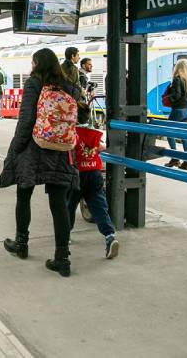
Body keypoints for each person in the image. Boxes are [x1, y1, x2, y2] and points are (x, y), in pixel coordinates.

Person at [0, 48, 79, 277]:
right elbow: (79, 118)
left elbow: (26, 120)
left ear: (36, 64)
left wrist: (15, 149)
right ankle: (62, 258)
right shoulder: (70, 85)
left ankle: (21, 243)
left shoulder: (34, 84)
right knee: (58, 204)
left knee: (24, 195)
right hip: (62, 150)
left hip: (34, 148)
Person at [67, 102, 118, 258]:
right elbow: (102, 148)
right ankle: (109, 236)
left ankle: (65, 234)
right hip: (94, 174)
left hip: (77, 175)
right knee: (99, 207)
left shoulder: (72, 133)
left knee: (69, 205)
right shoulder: (93, 133)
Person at [163, 58, 187, 171]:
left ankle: (175, 158)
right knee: (184, 136)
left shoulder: (178, 79)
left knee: (169, 133)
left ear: (178, 68)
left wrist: (168, 98)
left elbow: (176, 95)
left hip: (178, 110)